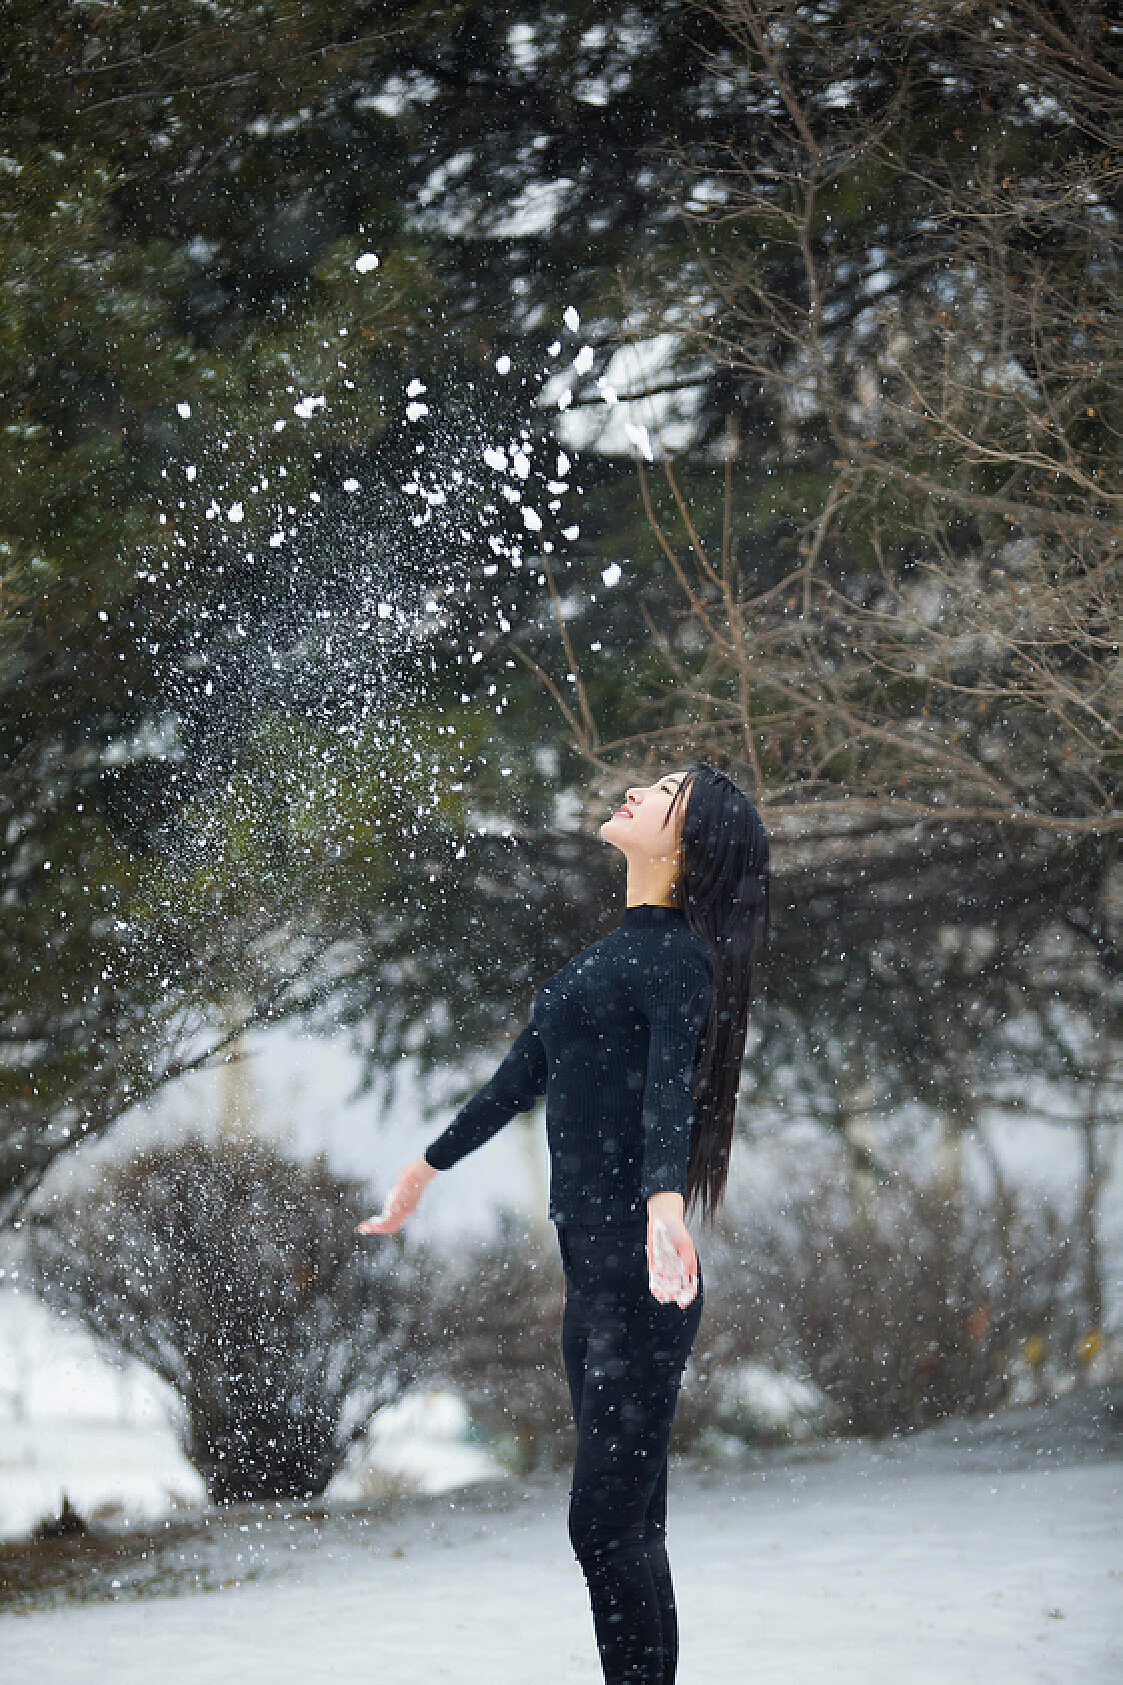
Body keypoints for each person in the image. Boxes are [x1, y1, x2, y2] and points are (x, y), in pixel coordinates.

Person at [359, 764, 769, 1685]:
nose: (634, 789)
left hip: (638, 1277)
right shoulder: (601, 959)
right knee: (625, 1528)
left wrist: (665, 1198)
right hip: (594, 1283)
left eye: (662, 793)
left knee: (605, 1526)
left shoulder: (676, 960)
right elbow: (515, 1079)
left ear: (687, 843)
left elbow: (668, 1088)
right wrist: (425, 1167)